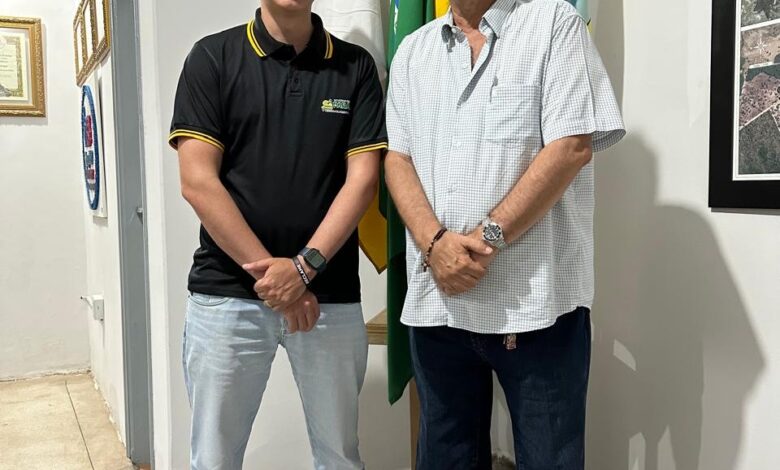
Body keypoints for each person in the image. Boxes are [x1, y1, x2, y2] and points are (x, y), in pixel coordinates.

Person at [384, 0, 625, 468]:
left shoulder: (554, 23)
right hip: (439, 305)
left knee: (550, 461)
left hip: (536, 309)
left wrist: (486, 238)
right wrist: (434, 244)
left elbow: (571, 146)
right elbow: (398, 157)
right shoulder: (413, 50)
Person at [169, 0, 386, 467]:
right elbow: (198, 183)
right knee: (214, 459)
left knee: (340, 457)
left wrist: (303, 270)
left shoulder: (356, 66)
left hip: (328, 295)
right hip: (227, 294)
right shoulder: (212, 57)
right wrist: (281, 283)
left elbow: (363, 181)